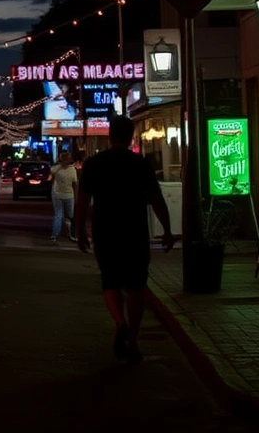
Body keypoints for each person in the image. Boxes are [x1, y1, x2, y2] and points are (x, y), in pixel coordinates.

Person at [74, 116, 176, 362]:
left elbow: (83, 201)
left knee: (110, 282)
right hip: (134, 231)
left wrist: (80, 231)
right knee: (135, 286)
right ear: (131, 136)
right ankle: (132, 339)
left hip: (106, 230)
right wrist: (168, 229)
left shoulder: (94, 164)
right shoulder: (140, 164)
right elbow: (156, 198)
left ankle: (120, 323)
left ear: (110, 136)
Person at [49, 152, 79, 242]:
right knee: (59, 215)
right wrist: (60, 165)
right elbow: (51, 173)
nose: (65, 161)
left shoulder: (72, 169)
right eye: (63, 159)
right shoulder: (57, 169)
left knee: (70, 216)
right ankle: (55, 234)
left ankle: (71, 234)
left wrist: (76, 196)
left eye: (67, 159)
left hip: (69, 195)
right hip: (58, 195)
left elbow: (75, 183)